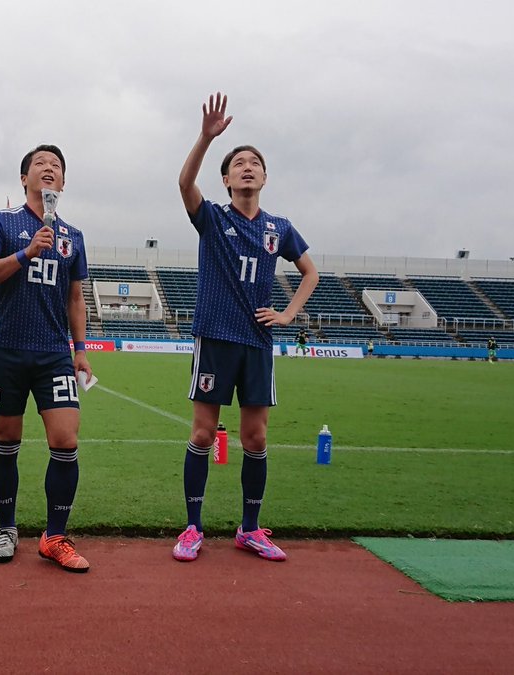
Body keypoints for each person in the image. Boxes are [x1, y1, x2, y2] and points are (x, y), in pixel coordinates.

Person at [172, 93, 319, 563]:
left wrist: (288, 314)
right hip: (215, 337)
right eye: (239, 163)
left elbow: (310, 271)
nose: (248, 168)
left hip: (257, 342)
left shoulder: (279, 226)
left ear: (265, 177)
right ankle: (193, 527)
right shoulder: (214, 218)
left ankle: (250, 529)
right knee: (202, 434)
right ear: (227, 178)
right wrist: (205, 137)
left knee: (255, 438)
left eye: (255, 163)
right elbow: (183, 183)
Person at [0, 144, 93, 573]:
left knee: (66, 441)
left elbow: (76, 298)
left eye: (56, 166)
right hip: (7, 349)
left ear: (62, 183)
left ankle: (54, 536)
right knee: (5, 442)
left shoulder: (73, 236)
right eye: (39, 164)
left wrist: (80, 351)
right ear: (23, 179)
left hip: (54, 355)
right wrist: (25, 254)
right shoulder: (3, 222)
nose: (48, 169)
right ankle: (6, 528)